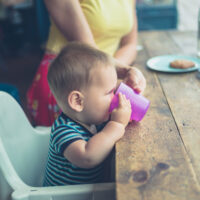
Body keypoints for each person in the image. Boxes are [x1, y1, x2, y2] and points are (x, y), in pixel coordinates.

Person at [27, 0, 146, 126]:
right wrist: (117, 73)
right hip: (68, 80)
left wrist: (114, 77)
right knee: (77, 142)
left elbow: (130, 45)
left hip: (104, 79)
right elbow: (89, 52)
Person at [43, 42, 132, 186]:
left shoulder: (91, 118)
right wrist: (116, 124)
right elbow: (87, 157)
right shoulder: (63, 130)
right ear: (78, 101)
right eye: (109, 92)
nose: (115, 96)